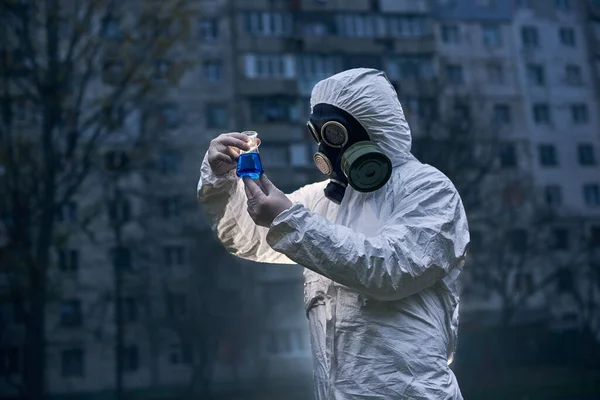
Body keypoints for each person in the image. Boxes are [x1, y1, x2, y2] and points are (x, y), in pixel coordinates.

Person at [197, 68, 469, 399]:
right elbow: (245, 237)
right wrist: (219, 179)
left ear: (373, 128)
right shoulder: (320, 201)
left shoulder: (428, 190)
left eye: (336, 134)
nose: (326, 148)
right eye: (319, 135)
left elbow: (390, 269)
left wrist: (290, 221)